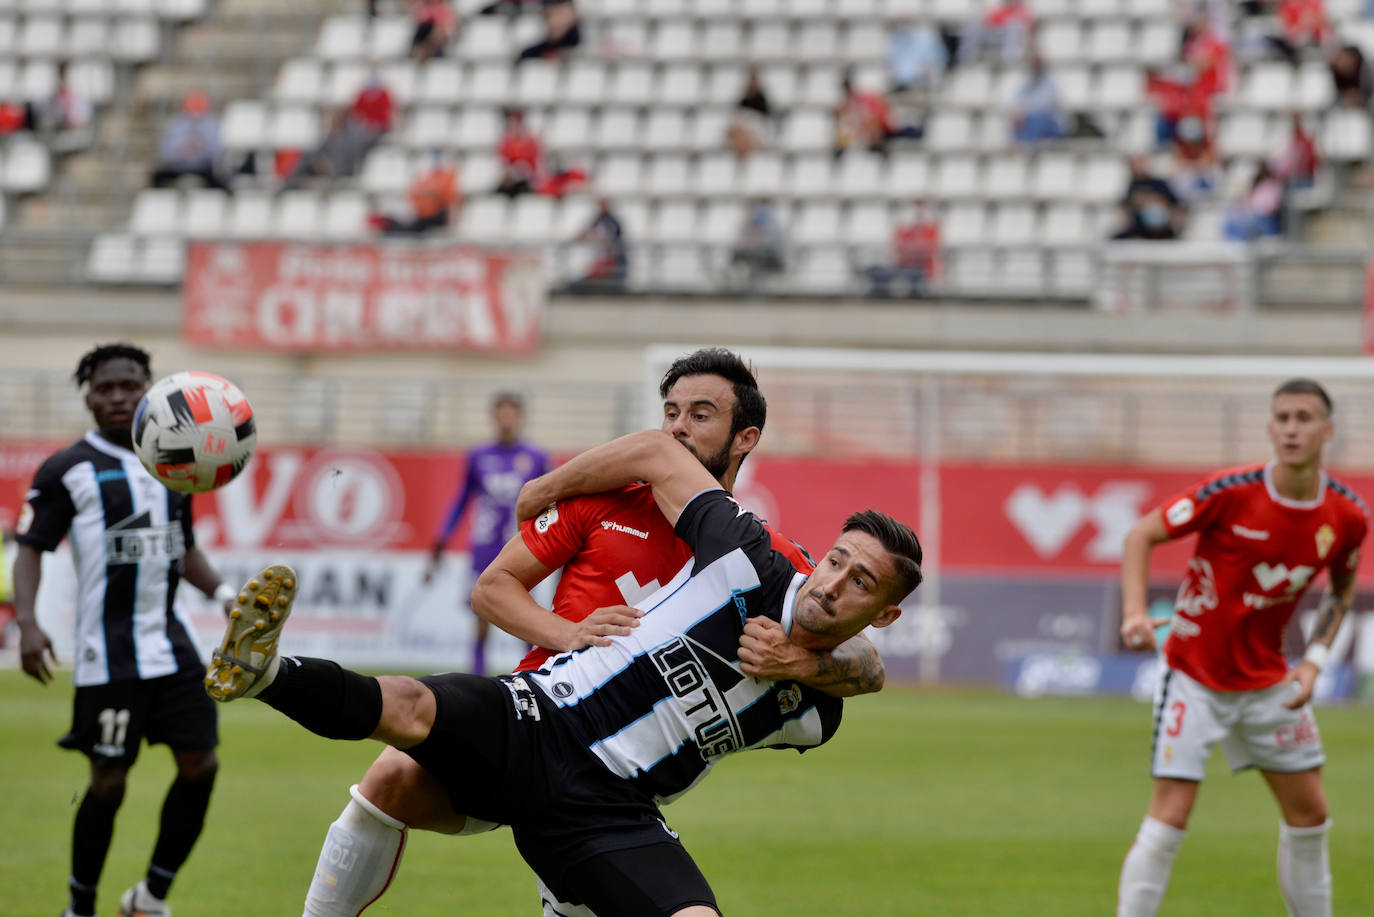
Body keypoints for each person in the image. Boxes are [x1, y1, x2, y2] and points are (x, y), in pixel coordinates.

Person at [204, 425, 920, 917]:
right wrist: (545, 488)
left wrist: (808, 660)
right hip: (543, 718)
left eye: (861, 583)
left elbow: (864, 671)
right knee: (411, 710)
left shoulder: (815, 710)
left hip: (612, 813)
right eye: (837, 560)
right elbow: (656, 455)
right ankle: (266, 670)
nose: (834, 584)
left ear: (883, 613)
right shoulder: (747, 555)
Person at [1116, 378, 1367, 917]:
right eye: (1282, 418)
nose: (1292, 428)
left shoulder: (1347, 516)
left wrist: (1315, 662)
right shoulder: (1229, 492)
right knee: (1169, 819)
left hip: (1269, 682)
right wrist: (1137, 613)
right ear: (1271, 428)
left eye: (1303, 418)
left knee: (1310, 818)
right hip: (1194, 676)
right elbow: (1141, 534)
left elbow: (1341, 590)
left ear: (1327, 430)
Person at [13, 343, 239, 917]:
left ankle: (150, 897)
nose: (117, 397)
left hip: (173, 644)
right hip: (105, 653)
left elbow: (183, 549)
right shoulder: (68, 469)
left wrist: (222, 593)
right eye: (105, 388)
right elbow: (32, 548)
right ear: (88, 395)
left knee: (203, 766)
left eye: (129, 386)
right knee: (108, 783)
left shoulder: (174, 461)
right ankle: (79, 906)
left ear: (149, 391)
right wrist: (29, 622)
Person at [425, 391, 548, 676]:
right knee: (481, 614)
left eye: (511, 413)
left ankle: (526, 678)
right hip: (484, 547)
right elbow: (462, 499)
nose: (506, 420)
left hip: (523, 547)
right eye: (501, 413)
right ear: (494, 417)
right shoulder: (478, 456)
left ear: (520, 418)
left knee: (524, 616)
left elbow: (550, 501)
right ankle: (477, 676)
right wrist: (444, 535)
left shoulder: (536, 457)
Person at [149, 90, 228, 192]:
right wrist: (182, 150)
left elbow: (217, 152)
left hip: (203, 168)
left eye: (199, 104)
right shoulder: (176, 123)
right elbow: (166, 152)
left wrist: (200, 148)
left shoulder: (212, 124)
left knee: (222, 185)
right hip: (177, 167)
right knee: (156, 179)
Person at [368, 153, 459, 235]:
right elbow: (414, 197)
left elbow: (448, 198)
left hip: (435, 218)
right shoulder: (426, 179)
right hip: (423, 217)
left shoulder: (447, 177)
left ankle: (386, 224)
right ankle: (385, 223)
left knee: (407, 229)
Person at [1113, 156, 1185, 241]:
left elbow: (1175, 203)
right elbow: (1127, 205)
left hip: (1162, 223)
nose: (1139, 167)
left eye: (1141, 163)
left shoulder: (1159, 183)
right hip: (1139, 225)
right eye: (1136, 164)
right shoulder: (1132, 186)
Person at [565, 197, 628, 292]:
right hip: (601, 259)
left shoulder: (613, 222)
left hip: (610, 260)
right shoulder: (597, 219)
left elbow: (610, 239)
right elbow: (586, 232)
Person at [1007, 54, 1065, 145]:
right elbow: (1014, 99)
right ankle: (1022, 147)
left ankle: (1025, 147)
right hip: (1029, 121)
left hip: (1050, 122)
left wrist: (1023, 112)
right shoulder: (1025, 81)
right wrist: (1017, 112)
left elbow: (1046, 104)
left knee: (1037, 120)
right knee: (1019, 122)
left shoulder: (1051, 81)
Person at [1222, 161, 1286, 241]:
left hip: (1266, 220)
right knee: (1233, 220)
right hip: (1255, 217)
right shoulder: (1257, 186)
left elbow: (1271, 206)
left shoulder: (1271, 185)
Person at [496, 107, 542, 197]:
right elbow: (503, 161)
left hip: (525, 181)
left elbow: (533, 167)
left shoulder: (530, 141)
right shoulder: (507, 141)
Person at [517, 0, 581, 61]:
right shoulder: (531, 52)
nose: (556, 21)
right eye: (550, 15)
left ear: (573, 15)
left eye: (560, 14)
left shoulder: (582, 47)